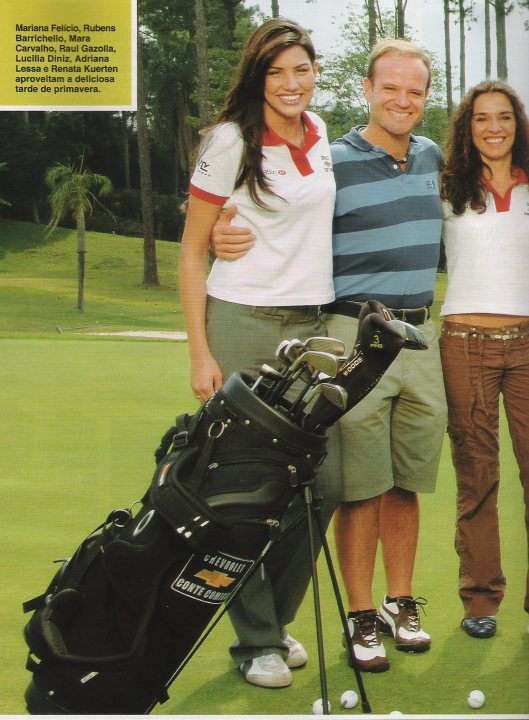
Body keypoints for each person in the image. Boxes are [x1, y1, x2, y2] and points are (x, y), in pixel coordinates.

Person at [212, 38, 448, 673]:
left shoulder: (432, 155)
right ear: (367, 89)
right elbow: (268, 206)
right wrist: (214, 227)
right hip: (356, 336)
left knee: (406, 482)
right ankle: (361, 614)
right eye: (390, 87)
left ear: (426, 98)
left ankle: (402, 602)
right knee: (357, 483)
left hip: (422, 339)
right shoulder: (331, 159)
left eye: (415, 91)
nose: (402, 100)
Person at [179, 19, 342, 689]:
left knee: (322, 487)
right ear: (257, 77)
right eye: (276, 72)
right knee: (241, 490)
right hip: (241, 320)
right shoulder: (227, 141)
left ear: (313, 72)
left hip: (311, 325)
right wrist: (198, 352)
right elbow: (191, 249)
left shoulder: (321, 132)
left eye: (300, 69)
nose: (290, 83)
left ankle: (271, 621)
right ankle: (255, 644)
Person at [439, 81, 529, 639]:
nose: (493, 127)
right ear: (466, 128)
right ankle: (480, 599)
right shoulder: (446, 186)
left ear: (518, 124)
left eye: (504, 117)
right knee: (477, 475)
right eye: (481, 119)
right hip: (464, 341)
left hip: (528, 342)